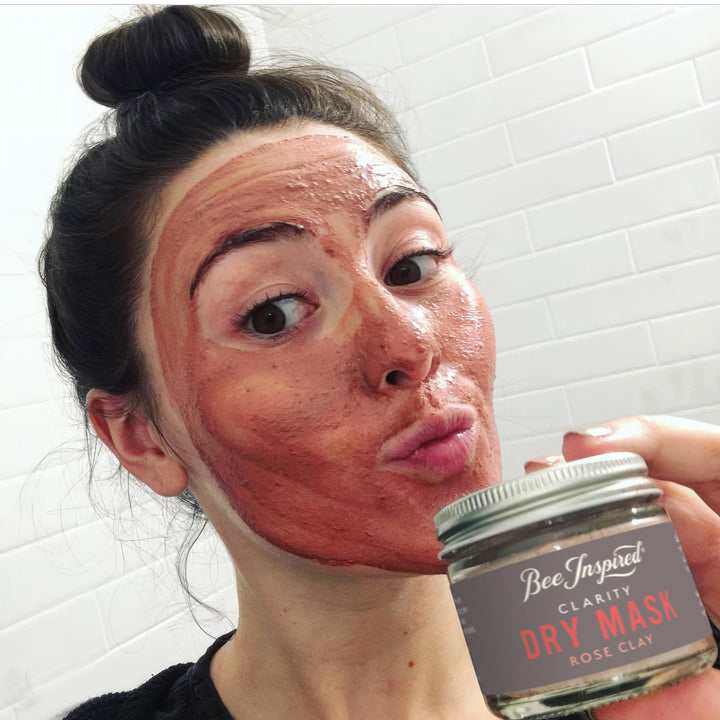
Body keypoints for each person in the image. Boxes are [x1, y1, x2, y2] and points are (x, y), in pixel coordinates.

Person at [40, 6, 720, 720]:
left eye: (412, 263)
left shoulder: (674, 667)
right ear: (140, 438)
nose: (409, 345)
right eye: (272, 312)